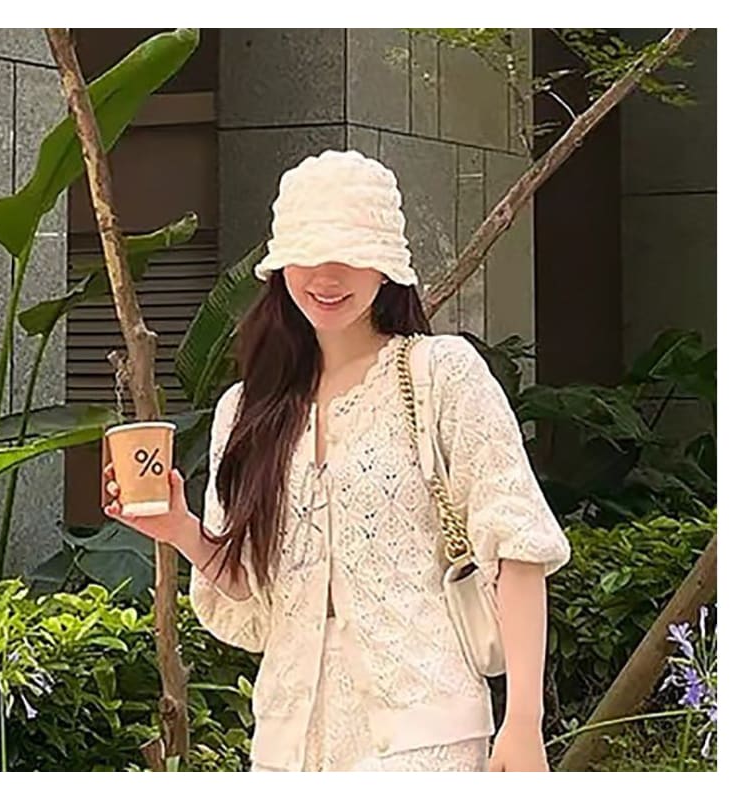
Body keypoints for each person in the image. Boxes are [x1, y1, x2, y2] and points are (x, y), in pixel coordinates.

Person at [103, 149, 572, 772]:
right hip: (286, 742)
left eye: (351, 254)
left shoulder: (441, 374)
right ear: (280, 265)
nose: (327, 276)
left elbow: (517, 546)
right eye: (308, 254)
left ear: (387, 267)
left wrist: (524, 722)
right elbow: (254, 596)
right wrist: (181, 530)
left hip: (425, 735)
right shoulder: (245, 409)